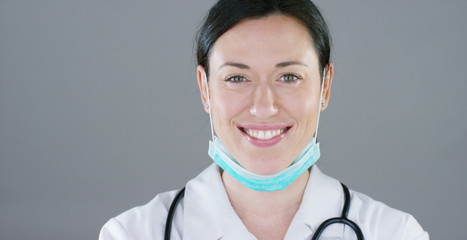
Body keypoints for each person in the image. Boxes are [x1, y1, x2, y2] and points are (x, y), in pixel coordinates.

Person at [99, 0, 429, 239]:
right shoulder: (132, 233)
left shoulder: (394, 233)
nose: (263, 107)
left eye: (289, 77)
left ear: (325, 86)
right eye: (237, 79)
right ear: (205, 89)